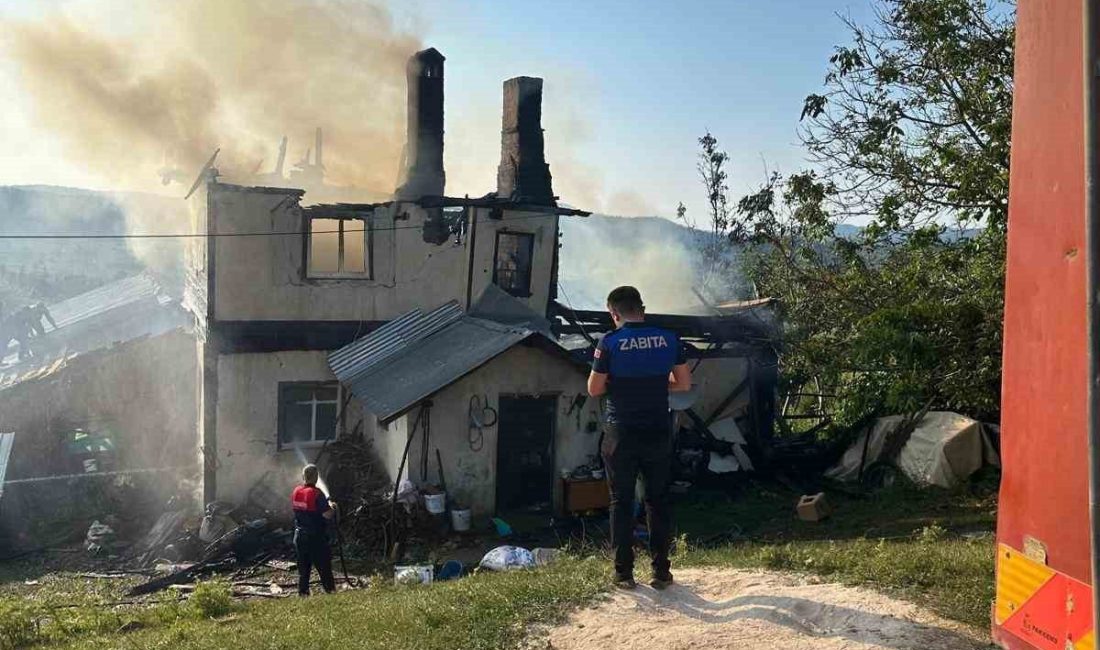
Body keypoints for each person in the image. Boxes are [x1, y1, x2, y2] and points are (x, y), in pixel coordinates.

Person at [588, 285, 692, 590]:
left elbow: (594, 389)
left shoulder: (609, 342)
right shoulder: (669, 339)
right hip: (658, 430)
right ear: (641, 309)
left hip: (621, 432)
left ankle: (624, 573)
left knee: (621, 501)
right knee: (657, 499)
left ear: (614, 313)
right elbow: (683, 384)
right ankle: (661, 572)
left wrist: (621, 385)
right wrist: (658, 385)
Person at [291, 464, 337, 596]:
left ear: (303, 477)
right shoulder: (317, 493)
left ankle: (303, 594)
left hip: (299, 536)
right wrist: (333, 508)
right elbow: (327, 514)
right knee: (324, 568)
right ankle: (331, 593)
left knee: (303, 570)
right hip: (315, 537)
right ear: (316, 477)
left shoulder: (296, 491)